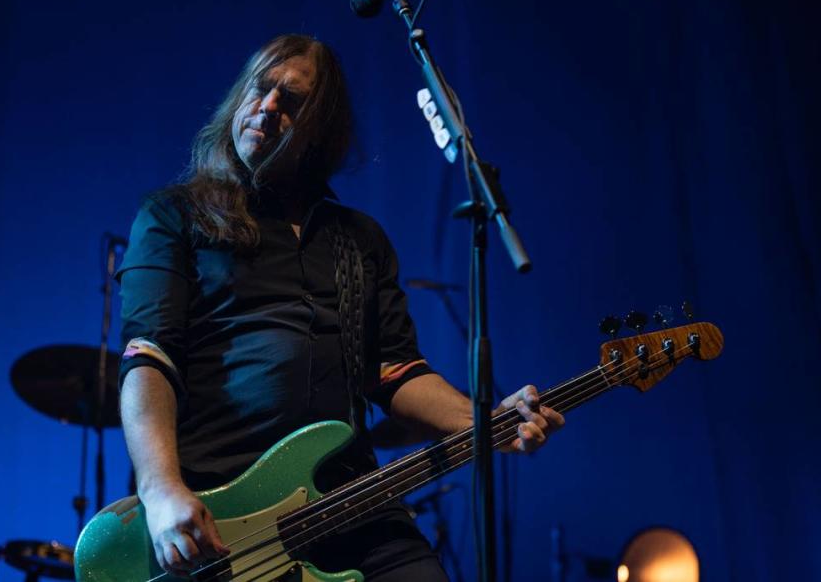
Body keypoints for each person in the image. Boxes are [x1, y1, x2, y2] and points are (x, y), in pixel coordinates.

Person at [117, 33, 565, 580]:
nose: (269, 107)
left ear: (319, 132)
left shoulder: (358, 240)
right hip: (224, 512)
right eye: (261, 89)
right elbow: (150, 357)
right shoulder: (175, 217)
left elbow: (395, 372)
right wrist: (161, 490)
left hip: (350, 500)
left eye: (294, 101)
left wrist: (489, 420)